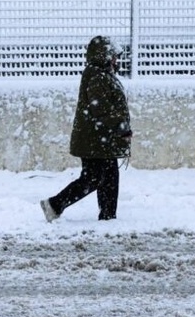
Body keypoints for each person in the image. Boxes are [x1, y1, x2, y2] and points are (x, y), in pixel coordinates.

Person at [40, 35, 132, 222]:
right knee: (93, 178)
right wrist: (120, 127)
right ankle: (55, 204)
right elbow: (101, 109)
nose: (116, 59)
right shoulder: (97, 76)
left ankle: (108, 216)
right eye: (113, 55)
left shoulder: (102, 74)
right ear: (103, 55)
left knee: (109, 177)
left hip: (99, 139)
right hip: (95, 140)